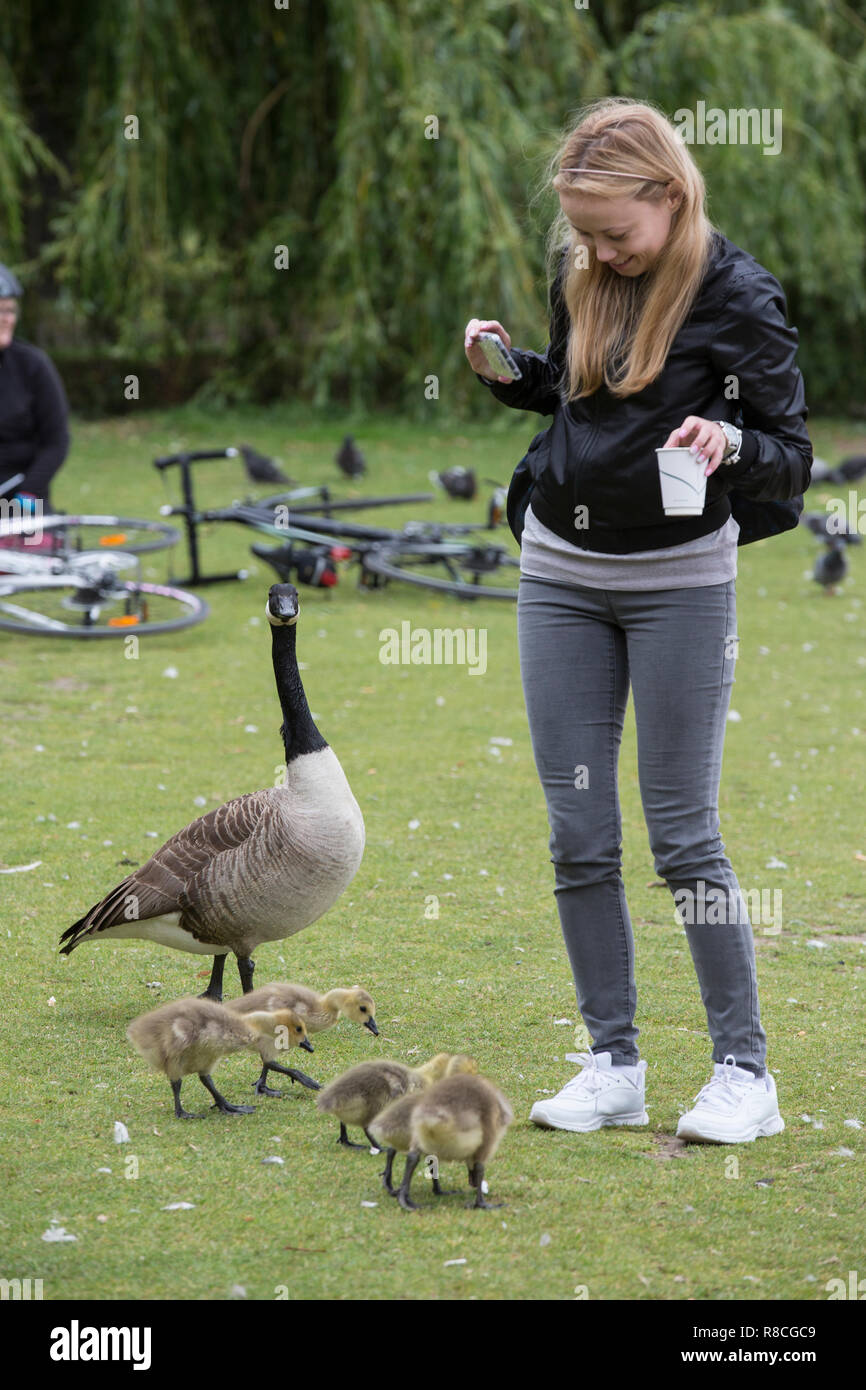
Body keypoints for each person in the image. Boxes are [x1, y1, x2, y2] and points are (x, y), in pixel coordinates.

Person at [464, 98, 811, 1145]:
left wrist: (730, 442)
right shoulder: (588, 272)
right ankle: (611, 1062)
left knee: (682, 836)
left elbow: (791, 457)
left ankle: (743, 1074)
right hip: (559, 574)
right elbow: (587, 404)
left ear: (668, 193)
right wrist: (512, 372)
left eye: (616, 232)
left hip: (678, 587)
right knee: (576, 834)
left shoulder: (738, 297)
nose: (600, 252)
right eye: (584, 234)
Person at [0, 262, 70, 516]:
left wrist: (28, 495)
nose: (6, 319)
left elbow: (56, 441)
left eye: (10, 310)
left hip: (23, 501)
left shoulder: (33, 366)